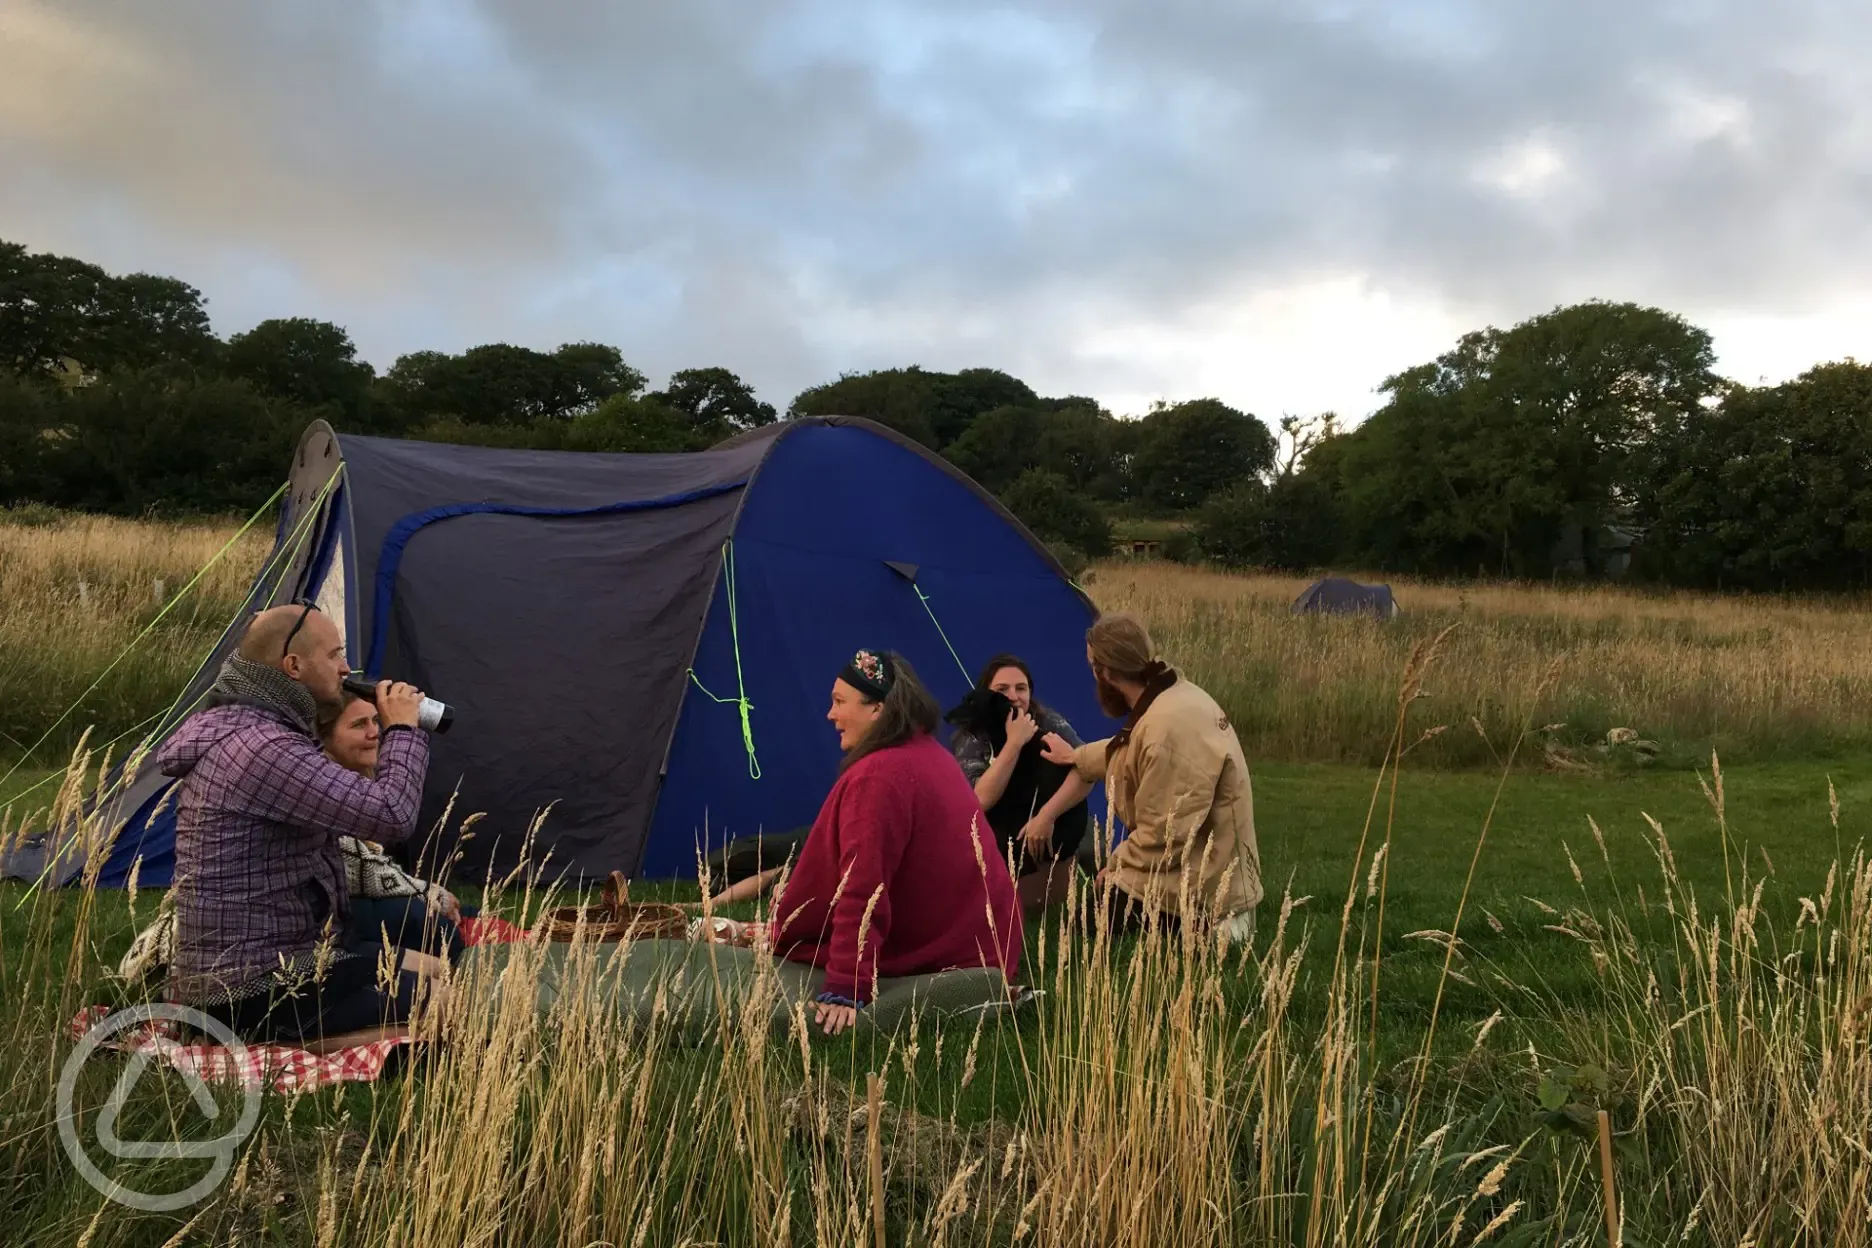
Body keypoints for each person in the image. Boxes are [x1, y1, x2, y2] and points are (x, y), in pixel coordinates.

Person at [158, 601, 444, 1052]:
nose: (347, 668)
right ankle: (290, 1045)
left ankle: (336, 1033)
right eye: (335, 655)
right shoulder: (262, 748)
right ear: (293, 665)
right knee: (453, 1006)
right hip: (252, 987)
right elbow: (392, 816)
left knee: (441, 968)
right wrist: (403, 730)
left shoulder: (247, 728)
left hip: (285, 961)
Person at [772, 648, 1023, 1035]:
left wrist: (845, 986)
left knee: (781, 937)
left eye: (840, 702)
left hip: (954, 954)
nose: (831, 714)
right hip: (988, 945)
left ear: (878, 710)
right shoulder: (927, 753)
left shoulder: (879, 777)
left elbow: (863, 886)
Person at [1021, 613, 1262, 936]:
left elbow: (1166, 832)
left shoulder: (1166, 727)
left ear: (1104, 672)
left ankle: (1212, 933)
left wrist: (1118, 867)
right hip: (1207, 870)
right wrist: (1077, 756)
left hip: (1204, 889)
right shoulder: (1176, 697)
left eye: (1093, 666)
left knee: (1082, 927)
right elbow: (1133, 746)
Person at [320, 690, 477, 960]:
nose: (374, 733)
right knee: (438, 930)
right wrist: (426, 891)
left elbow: (369, 861)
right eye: (359, 725)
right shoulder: (321, 785)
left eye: (375, 721)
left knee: (469, 914)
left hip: (360, 897)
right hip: (335, 910)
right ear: (325, 738)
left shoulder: (358, 778)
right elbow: (359, 871)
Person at [946, 654, 1089, 909]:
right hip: (1000, 825)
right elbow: (979, 800)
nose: (1013, 696)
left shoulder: (1047, 720)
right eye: (1002, 689)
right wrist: (1015, 742)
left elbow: (1088, 768)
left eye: (1021, 688)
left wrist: (1047, 816)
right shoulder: (972, 735)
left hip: (1049, 818)